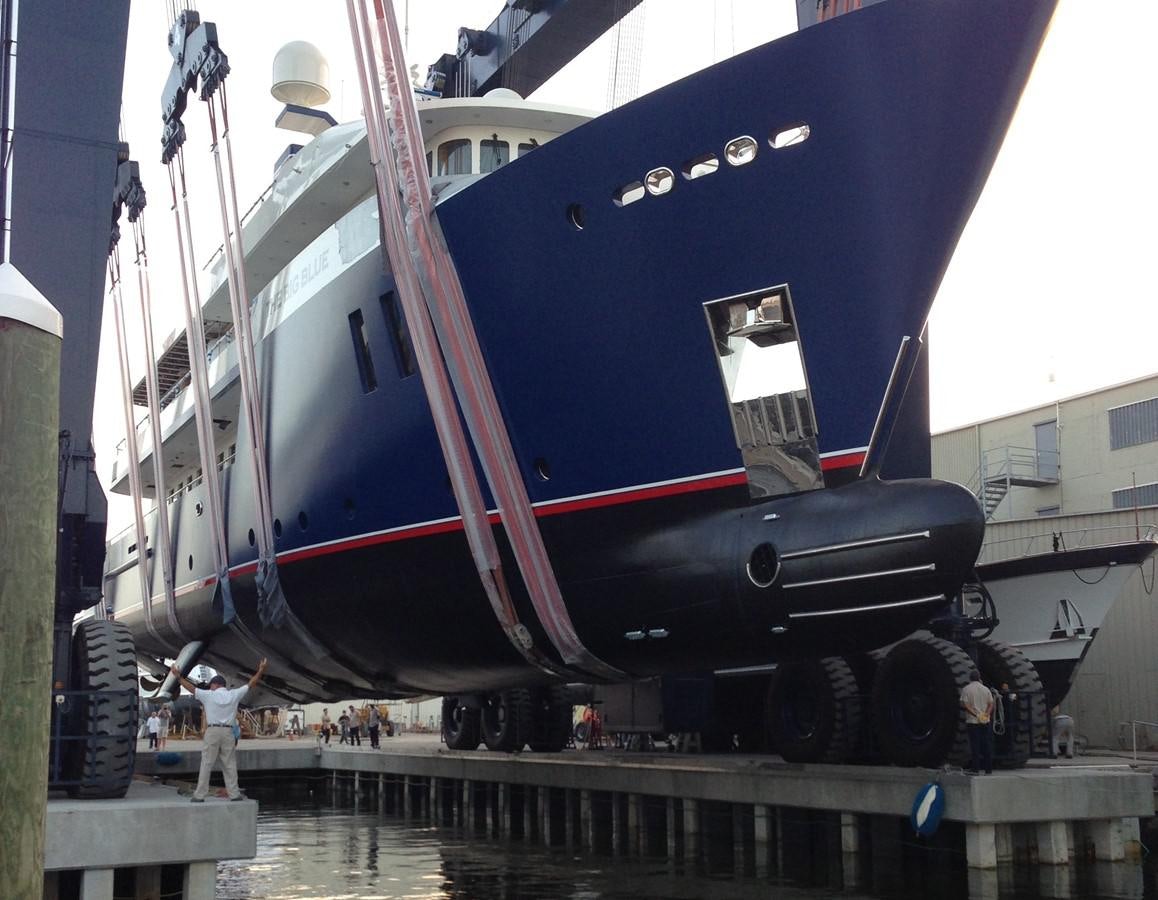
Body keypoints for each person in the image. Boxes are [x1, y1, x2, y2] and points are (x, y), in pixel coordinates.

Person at [170, 659, 268, 802]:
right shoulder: (234, 694)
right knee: (229, 764)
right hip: (229, 732)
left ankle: (200, 795)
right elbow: (251, 684)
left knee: (207, 763)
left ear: (215, 685)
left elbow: (191, 688)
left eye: (211, 685)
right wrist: (260, 670)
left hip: (213, 731)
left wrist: (178, 677)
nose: (210, 687)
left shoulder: (208, 695)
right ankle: (234, 794)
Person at [960, 668, 995, 774]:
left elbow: (965, 705)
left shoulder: (966, 689)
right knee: (986, 745)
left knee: (975, 745)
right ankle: (988, 769)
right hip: (985, 720)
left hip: (973, 721)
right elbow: (991, 704)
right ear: (979, 678)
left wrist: (976, 714)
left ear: (970, 678)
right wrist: (986, 714)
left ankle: (976, 768)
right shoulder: (986, 689)